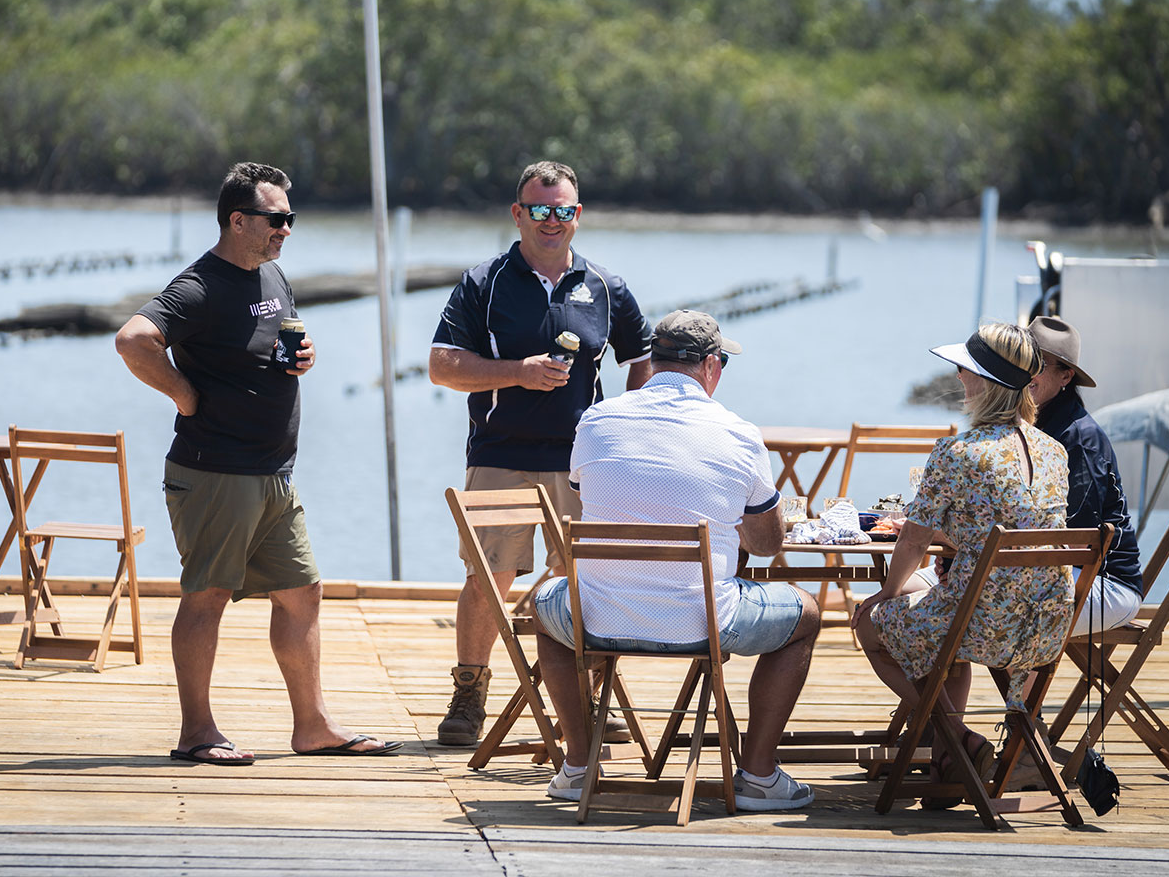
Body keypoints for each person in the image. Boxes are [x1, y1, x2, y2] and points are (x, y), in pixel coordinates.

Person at [115, 161, 400, 764]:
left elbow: (269, 343)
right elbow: (133, 340)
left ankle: (313, 727)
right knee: (208, 595)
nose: (286, 230)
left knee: (302, 593)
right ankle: (197, 733)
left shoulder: (271, 275)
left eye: (290, 219)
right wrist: (183, 394)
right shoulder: (199, 286)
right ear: (237, 220)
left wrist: (299, 357)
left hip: (274, 474)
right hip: (215, 470)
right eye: (276, 219)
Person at [532, 310, 821, 810]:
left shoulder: (597, 420)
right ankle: (757, 775)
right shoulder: (738, 433)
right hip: (702, 621)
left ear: (651, 361)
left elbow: (587, 499)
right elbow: (769, 544)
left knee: (546, 607)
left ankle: (578, 766)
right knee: (807, 614)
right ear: (712, 366)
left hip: (598, 616)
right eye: (722, 362)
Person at [428, 160, 653, 747]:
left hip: (584, 462)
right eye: (539, 209)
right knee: (487, 577)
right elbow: (442, 366)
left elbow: (642, 360)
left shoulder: (607, 286)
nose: (551, 221)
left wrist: (626, 426)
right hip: (500, 452)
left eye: (563, 211)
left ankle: (589, 700)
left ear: (577, 216)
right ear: (517, 213)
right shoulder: (484, 283)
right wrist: (518, 374)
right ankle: (469, 692)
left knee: (583, 579)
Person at [849, 322, 1069, 808]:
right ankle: (950, 758)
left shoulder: (959, 451)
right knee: (940, 628)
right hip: (1041, 630)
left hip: (978, 624)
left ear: (985, 383)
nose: (956, 374)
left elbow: (914, 538)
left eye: (965, 368)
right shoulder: (1054, 452)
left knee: (871, 624)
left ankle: (957, 739)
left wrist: (887, 593)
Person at [1026, 316, 1144, 631]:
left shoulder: (1077, 437)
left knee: (992, 604)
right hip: (1051, 570)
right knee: (951, 594)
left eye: (1038, 362)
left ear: (1066, 376)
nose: (1026, 370)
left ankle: (1023, 680)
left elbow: (1076, 532)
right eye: (1023, 358)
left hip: (1105, 583)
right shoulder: (1032, 422)